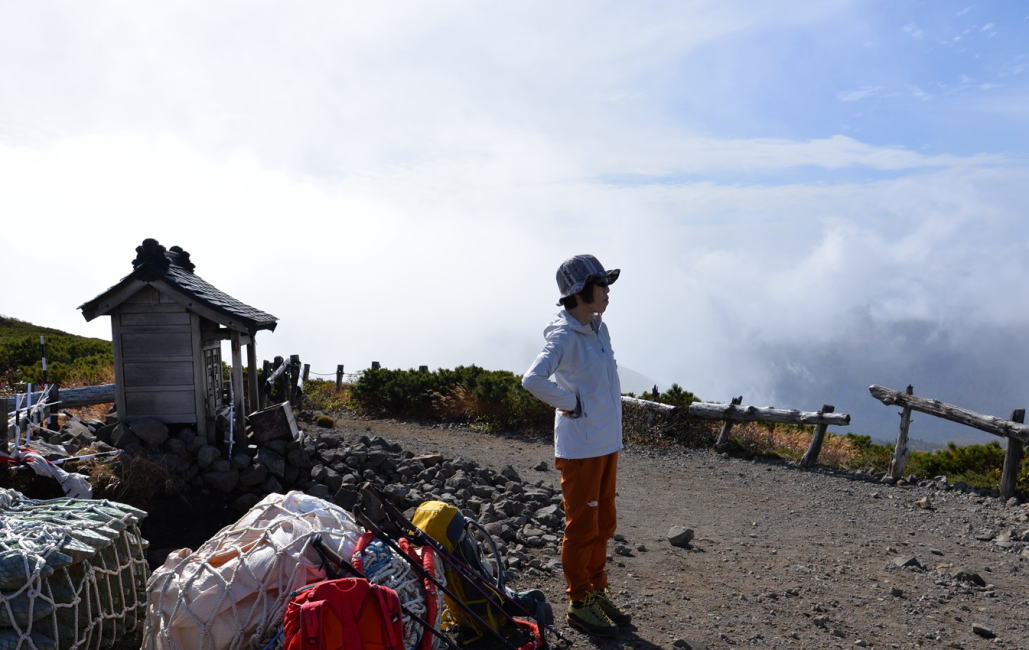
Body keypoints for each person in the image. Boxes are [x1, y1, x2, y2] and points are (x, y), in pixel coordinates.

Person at [521, 254, 630, 638]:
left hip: (605, 442)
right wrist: (571, 403)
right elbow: (532, 380)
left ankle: (597, 589)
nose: (607, 292)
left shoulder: (598, 329)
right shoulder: (565, 336)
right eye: (602, 286)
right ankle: (579, 601)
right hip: (581, 448)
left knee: (604, 523)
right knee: (583, 525)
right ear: (581, 292)